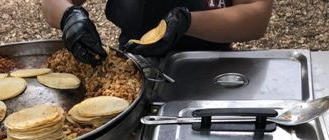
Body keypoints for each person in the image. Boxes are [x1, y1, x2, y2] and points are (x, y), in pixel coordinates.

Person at [41, 0, 274, 65]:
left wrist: (186, 22)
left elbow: (256, 16)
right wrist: (69, 17)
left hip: (214, 70)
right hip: (136, 68)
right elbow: (53, 2)